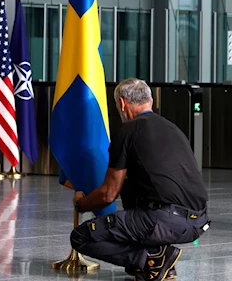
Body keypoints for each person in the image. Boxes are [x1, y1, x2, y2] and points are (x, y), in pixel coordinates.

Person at [70, 78, 210, 281]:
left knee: (80, 237)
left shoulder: (128, 131)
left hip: (165, 221)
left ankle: (150, 260)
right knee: (131, 188)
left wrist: (81, 204)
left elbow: (109, 194)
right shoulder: (173, 129)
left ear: (122, 104)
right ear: (151, 101)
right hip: (199, 221)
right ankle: (157, 261)